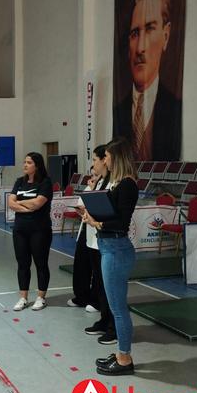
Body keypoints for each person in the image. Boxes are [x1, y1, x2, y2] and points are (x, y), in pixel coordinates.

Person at [82, 138, 138, 375]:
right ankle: (121, 354)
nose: (104, 160)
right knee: (116, 306)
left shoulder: (127, 185)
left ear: (117, 157)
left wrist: (97, 222)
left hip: (116, 249)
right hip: (109, 246)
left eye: (106, 156)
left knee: (118, 308)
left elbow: (121, 223)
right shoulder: (116, 183)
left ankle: (124, 358)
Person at [113, 0, 181, 161]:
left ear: (165, 35)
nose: (140, 48)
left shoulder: (175, 107)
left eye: (150, 28)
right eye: (135, 33)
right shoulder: (118, 111)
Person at [81, 145, 117, 345]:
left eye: (95, 159)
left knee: (109, 286)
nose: (93, 163)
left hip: (106, 239)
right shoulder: (100, 181)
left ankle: (113, 326)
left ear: (105, 160)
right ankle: (104, 320)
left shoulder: (115, 182)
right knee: (100, 284)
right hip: (94, 239)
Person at [8, 152, 53, 311]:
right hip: (20, 230)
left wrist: (20, 202)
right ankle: (23, 297)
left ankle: (41, 297)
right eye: (24, 162)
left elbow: (38, 204)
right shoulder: (19, 182)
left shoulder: (45, 183)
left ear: (37, 166)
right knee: (23, 264)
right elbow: (11, 203)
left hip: (39, 230)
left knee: (41, 263)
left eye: (29, 162)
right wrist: (27, 206)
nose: (25, 165)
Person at [67, 166, 98, 311]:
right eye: (91, 175)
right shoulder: (87, 189)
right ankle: (81, 296)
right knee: (81, 263)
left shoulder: (105, 188)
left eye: (95, 175)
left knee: (96, 267)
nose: (92, 179)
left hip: (98, 231)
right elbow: (81, 208)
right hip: (85, 229)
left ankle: (96, 300)